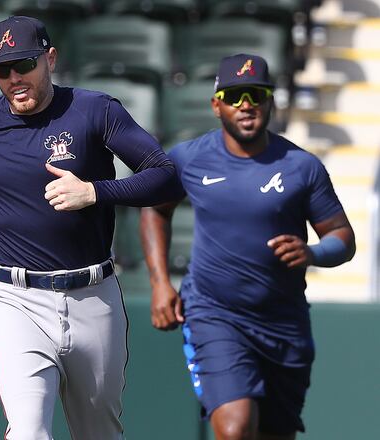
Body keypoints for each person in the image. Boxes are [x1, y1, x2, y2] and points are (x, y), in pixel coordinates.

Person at [0, 16, 182, 439]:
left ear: (50, 58)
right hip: (16, 298)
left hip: (94, 296)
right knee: (29, 432)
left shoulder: (94, 110)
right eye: (1, 69)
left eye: (24, 64)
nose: (14, 78)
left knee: (99, 433)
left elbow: (165, 175)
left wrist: (95, 191)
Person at [139, 54, 356, 440]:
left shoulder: (301, 166)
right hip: (214, 314)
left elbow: (342, 236)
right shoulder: (189, 158)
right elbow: (155, 210)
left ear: (271, 101)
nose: (246, 105)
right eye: (235, 95)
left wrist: (312, 253)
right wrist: (160, 283)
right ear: (216, 104)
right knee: (236, 428)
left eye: (256, 95)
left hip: (283, 325)